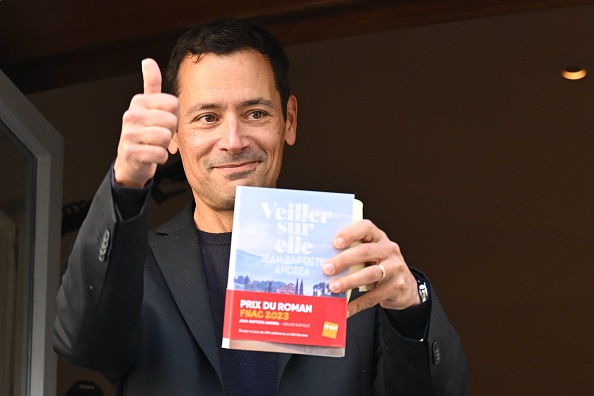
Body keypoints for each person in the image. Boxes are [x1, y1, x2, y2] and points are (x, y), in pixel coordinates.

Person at [53, 18, 467, 395]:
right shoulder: (139, 267)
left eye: (255, 113)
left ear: (288, 121)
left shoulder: (353, 264)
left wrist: (412, 310)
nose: (233, 140)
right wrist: (125, 184)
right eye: (207, 118)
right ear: (174, 134)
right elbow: (80, 341)